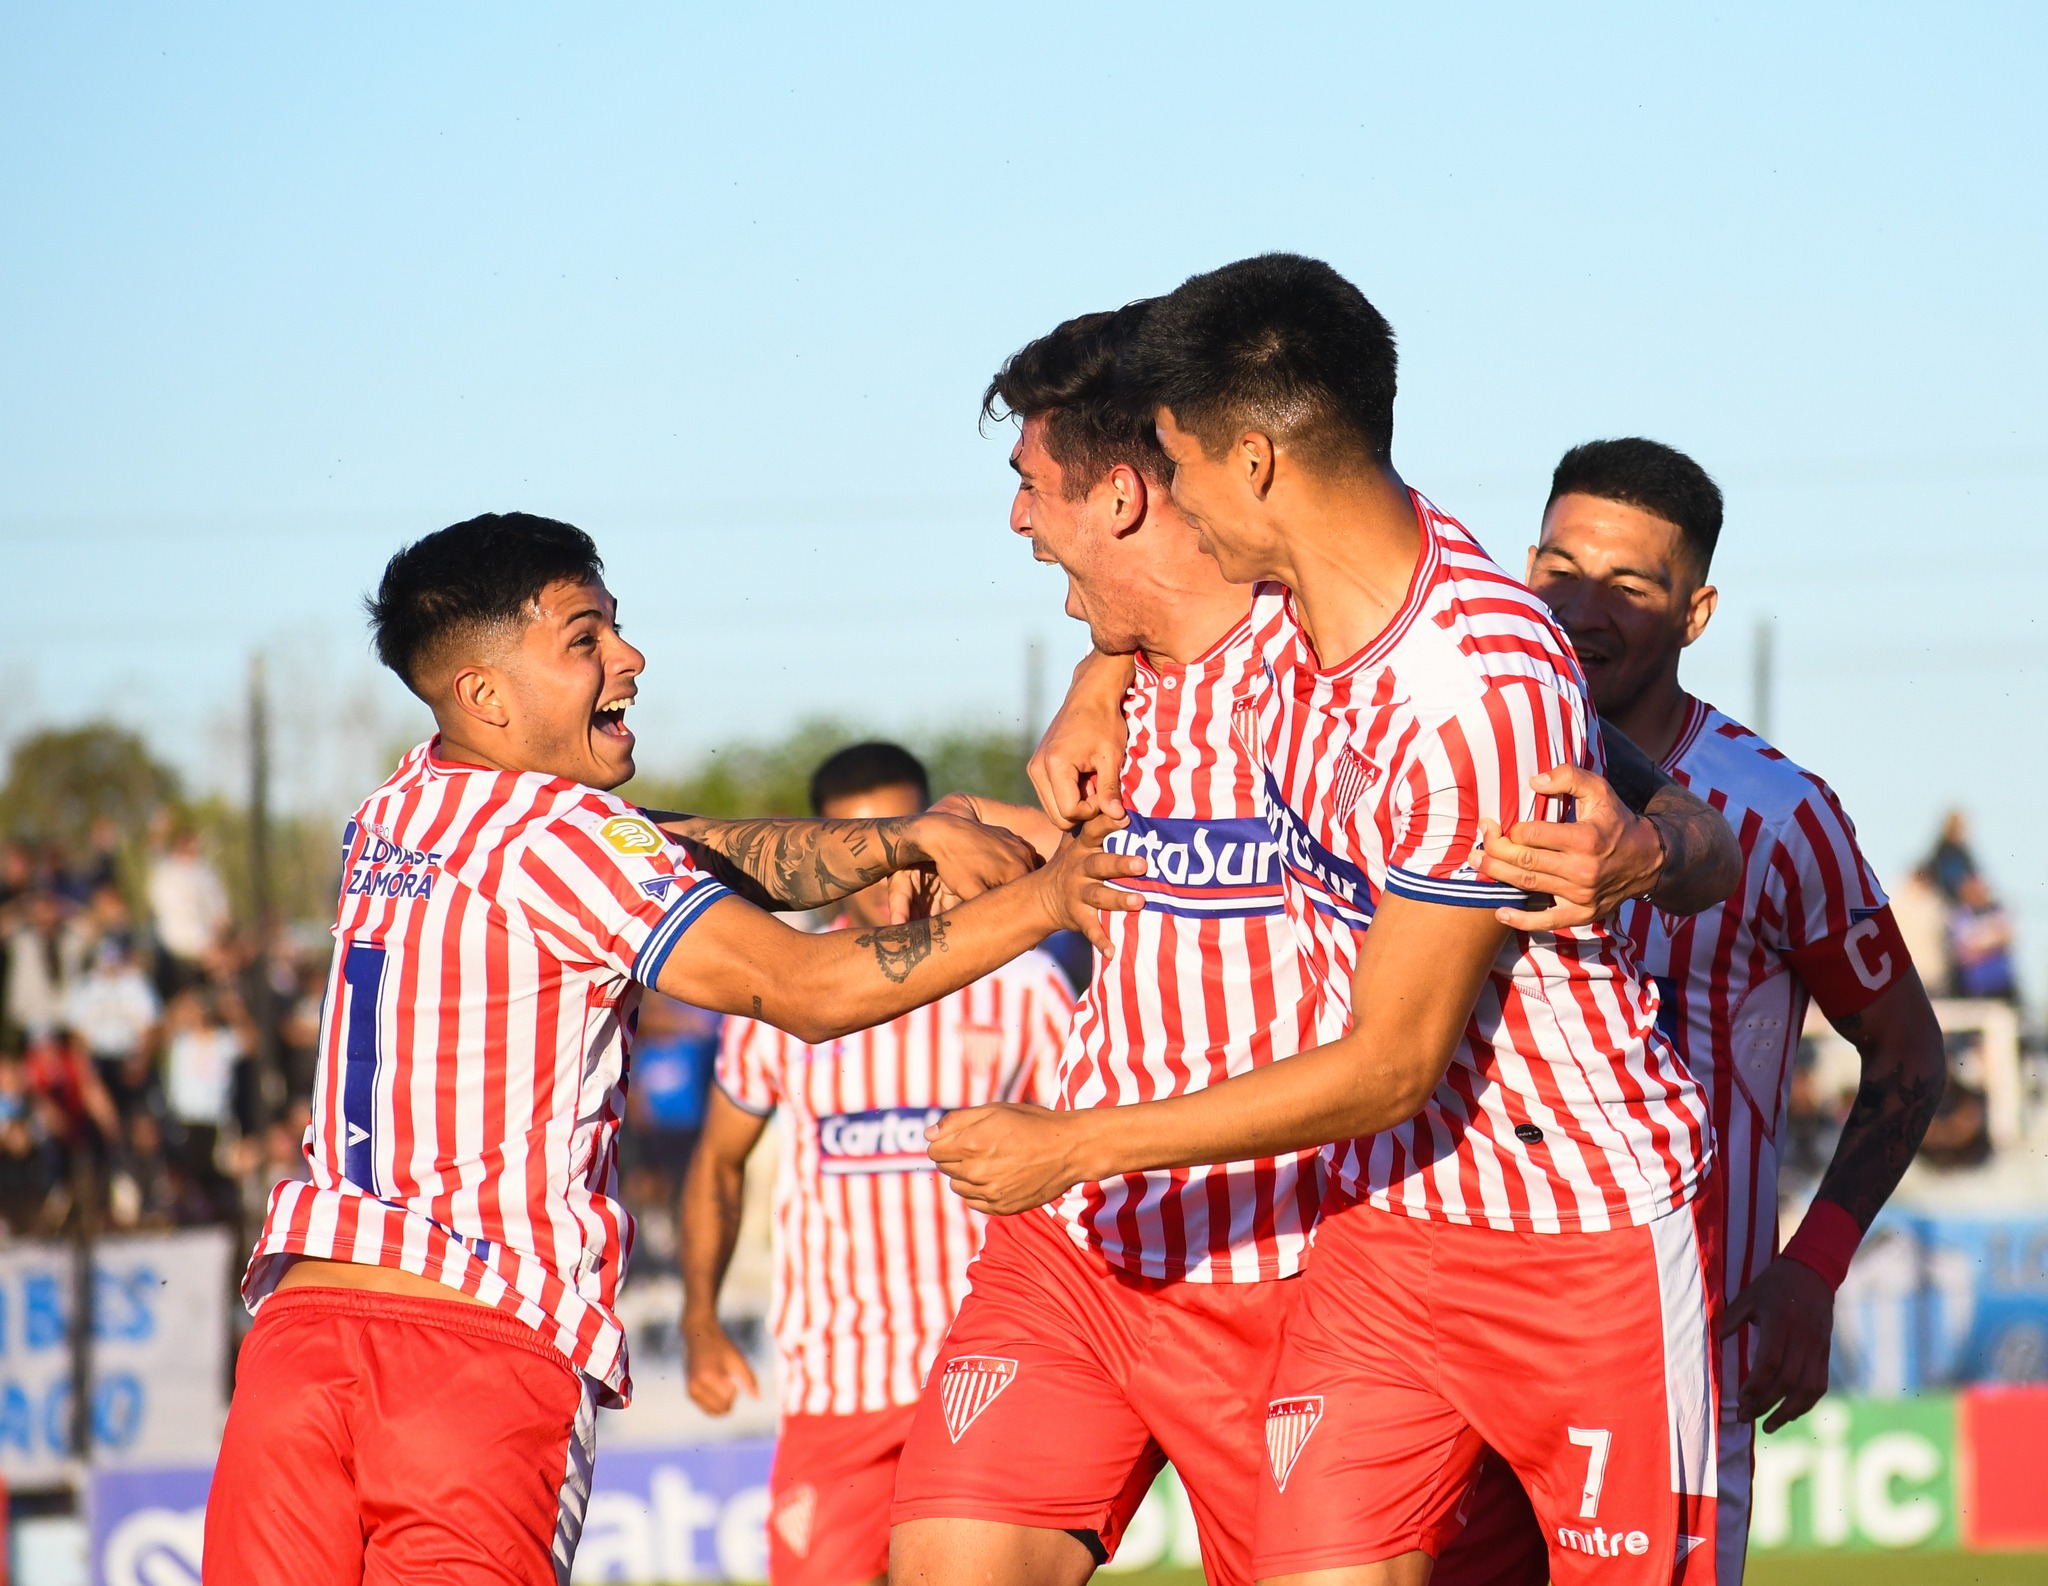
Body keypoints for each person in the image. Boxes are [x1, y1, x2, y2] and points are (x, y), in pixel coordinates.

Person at [891, 305, 1738, 1586]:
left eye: (1033, 484)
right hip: (1212, 1230)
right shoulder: (1171, 642)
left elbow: (1658, 822)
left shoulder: (1410, 656)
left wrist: (1650, 847)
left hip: (1399, 1228)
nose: (1019, 518)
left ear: (1194, 475)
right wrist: (1085, 684)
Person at [201, 512, 1140, 1586]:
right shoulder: (564, 839)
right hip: (474, 1351)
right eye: (585, 636)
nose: (628, 657)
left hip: (300, 1341)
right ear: (488, 694)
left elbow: (677, 845)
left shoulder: (398, 810)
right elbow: (807, 986)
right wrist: (1048, 898)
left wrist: (901, 838)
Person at [684, 741, 1077, 1586]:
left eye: (913, 838)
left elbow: (1088, 1150)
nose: (893, 871)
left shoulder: (1022, 987)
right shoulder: (773, 1000)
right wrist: (700, 1320)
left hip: (985, 1371)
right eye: (866, 849)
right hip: (838, 1383)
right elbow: (718, 1163)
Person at [146, 826, 228, 997]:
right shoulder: (166, 870)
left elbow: (220, 914)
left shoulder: (206, 874)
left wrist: (218, 946)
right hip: (170, 948)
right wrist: (159, 827)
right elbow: (153, 849)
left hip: (201, 952)